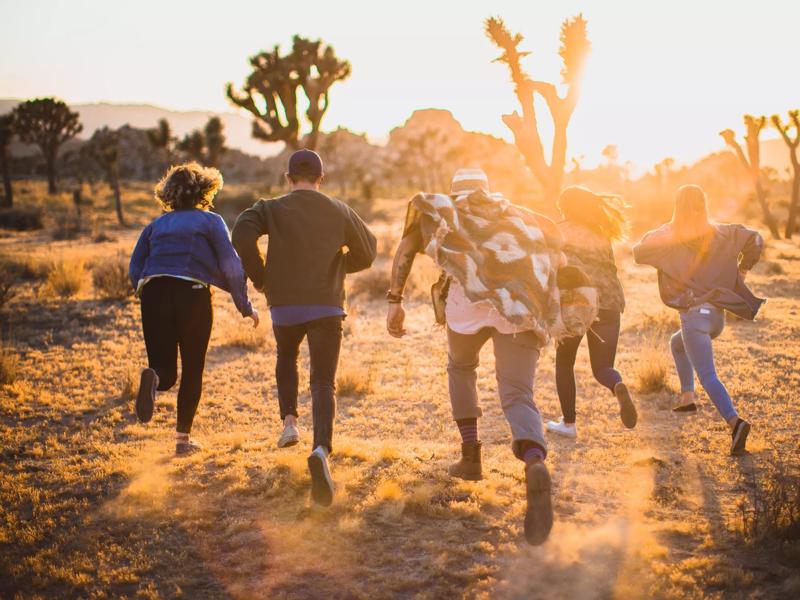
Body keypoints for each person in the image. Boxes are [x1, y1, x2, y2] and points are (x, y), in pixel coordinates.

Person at [387, 168, 568, 546]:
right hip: (516, 309)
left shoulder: (444, 212)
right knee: (518, 392)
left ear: (455, 192)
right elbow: (557, 242)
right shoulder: (518, 215)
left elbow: (405, 250)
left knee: (462, 369)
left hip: (464, 310)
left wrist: (395, 300)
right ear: (488, 190)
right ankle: (534, 457)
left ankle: (471, 458)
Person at [232, 149, 377, 507]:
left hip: (285, 305)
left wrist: (261, 276)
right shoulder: (339, 210)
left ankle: (289, 425)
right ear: (320, 178)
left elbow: (240, 234)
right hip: (327, 304)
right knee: (323, 381)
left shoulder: (270, 208)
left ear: (288, 177)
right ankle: (321, 450)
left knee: (286, 357)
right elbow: (369, 250)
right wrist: (340, 265)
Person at [129, 162, 259, 455]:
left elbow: (135, 266)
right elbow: (230, 265)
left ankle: (154, 379)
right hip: (192, 294)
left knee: (165, 371)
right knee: (192, 369)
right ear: (204, 190)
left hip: (154, 291)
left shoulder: (155, 225)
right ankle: (182, 441)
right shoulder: (210, 221)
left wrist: (145, 292)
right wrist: (245, 305)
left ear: (169, 194)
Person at [634, 184, 764, 455]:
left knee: (708, 375)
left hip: (693, 315)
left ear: (677, 206)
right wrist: (742, 269)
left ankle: (735, 422)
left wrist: (663, 231)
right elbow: (756, 238)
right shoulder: (720, 230)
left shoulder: (670, 234)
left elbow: (639, 250)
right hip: (717, 317)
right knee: (677, 344)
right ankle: (687, 398)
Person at [546, 186, 637, 439]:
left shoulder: (559, 230)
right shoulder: (601, 234)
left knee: (565, 362)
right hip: (609, 301)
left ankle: (569, 423)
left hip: (577, 302)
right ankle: (616, 384)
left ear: (566, 207)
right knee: (603, 367)